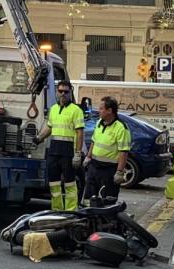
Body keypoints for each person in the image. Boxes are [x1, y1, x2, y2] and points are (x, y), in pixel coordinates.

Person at [33, 80, 85, 211]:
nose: (63, 94)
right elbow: (49, 127)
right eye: (60, 91)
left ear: (70, 92)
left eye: (66, 92)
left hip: (68, 152)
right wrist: (39, 138)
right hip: (54, 151)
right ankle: (56, 210)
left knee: (69, 184)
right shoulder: (54, 109)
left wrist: (78, 154)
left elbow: (79, 133)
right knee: (54, 184)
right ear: (57, 92)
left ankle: (71, 211)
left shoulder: (76, 110)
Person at [83, 96, 131, 206]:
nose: (98, 111)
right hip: (94, 167)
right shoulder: (99, 123)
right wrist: (88, 157)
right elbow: (94, 142)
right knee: (88, 200)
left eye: (101, 109)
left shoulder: (121, 128)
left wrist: (119, 172)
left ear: (109, 111)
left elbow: (123, 152)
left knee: (107, 201)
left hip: (109, 171)